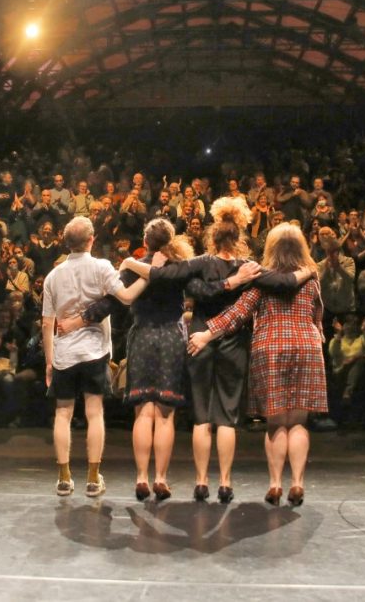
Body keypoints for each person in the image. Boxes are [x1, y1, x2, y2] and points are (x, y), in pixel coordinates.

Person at [125, 197, 308, 504]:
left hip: (198, 340)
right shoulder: (248, 268)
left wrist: (131, 263)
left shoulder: (199, 264)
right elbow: (286, 281)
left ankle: (200, 482)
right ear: (239, 239)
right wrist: (308, 272)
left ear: (213, 237)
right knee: (226, 416)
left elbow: (161, 275)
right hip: (234, 344)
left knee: (200, 416)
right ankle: (224, 482)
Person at [188, 222, 326, 507]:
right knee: (298, 422)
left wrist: (206, 333)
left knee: (276, 422)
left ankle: (275, 485)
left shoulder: (261, 280)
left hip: (271, 347)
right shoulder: (312, 279)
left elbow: (238, 313)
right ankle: (297, 484)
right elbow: (318, 316)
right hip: (307, 346)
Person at [58, 218, 193, 501]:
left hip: (143, 336)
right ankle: (160, 478)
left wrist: (80, 320)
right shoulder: (180, 267)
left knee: (143, 410)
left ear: (145, 241)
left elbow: (111, 302)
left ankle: (142, 477)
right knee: (165, 413)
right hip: (171, 336)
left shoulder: (135, 267)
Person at [41, 216, 148, 497]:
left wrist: (49, 363)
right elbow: (124, 297)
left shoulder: (53, 276)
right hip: (93, 351)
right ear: (92, 240)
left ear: (67, 243)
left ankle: (64, 478)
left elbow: (46, 323)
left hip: (64, 352)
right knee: (94, 412)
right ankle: (92, 477)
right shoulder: (101, 267)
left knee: (63, 414)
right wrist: (149, 275)